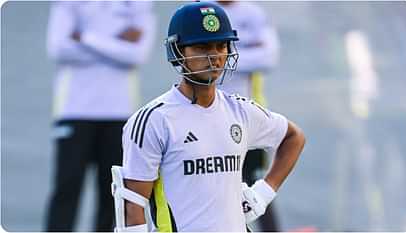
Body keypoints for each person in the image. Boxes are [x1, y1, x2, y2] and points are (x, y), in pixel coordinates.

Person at [113, 2, 305, 232]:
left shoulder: (241, 111)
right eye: (201, 47)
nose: (214, 56)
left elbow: (293, 137)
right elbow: (132, 207)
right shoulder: (154, 120)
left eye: (221, 45)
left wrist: (262, 194)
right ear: (178, 51)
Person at [45, 2, 155, 231]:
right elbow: (58, 47)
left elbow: (136, 54)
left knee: (112, 193)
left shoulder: (138, 5)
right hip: (74, 111)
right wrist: (115, 41)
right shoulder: (68, 3)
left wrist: (83, 36)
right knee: (67, 187)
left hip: (120, 115)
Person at [216, 1, 282, 231]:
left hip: (248, 119)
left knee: (254, 187)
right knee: (218, 187)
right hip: (209, 119)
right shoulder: (201, 11)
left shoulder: (253, 13)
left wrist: (222, 54)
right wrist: (247, 49)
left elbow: (269, 57)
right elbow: (196, 63)